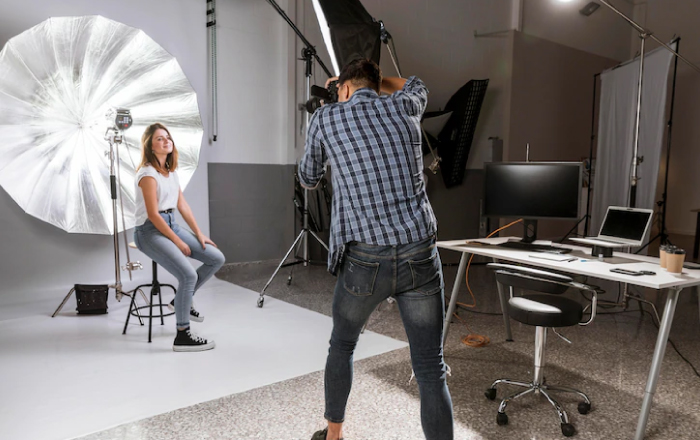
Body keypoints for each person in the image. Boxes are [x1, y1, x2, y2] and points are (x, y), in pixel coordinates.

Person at [299, 59, 454, 440]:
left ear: (344, 89)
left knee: (343, 345)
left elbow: (308, 178)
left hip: (365, 261)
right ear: (375, 84)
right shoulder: (404, 105)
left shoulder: (327, 118)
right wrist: (372, 82)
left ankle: (333, 435)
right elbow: (416, 83)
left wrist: (335, 101)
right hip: (419, 255)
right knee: (430, 367)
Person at [133, 122, 225, 352]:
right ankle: (183, 335)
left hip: (171, 224)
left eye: (167, 137)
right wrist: (178, 241)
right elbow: (153, 215)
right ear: (150, 147)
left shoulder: (170, 171)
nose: (166, 141)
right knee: (187, 275)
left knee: (216, 258)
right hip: (149, 230)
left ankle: (180, 301)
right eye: (159, 139)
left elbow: (181, 204)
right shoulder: (147, 174)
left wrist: (198, 233)